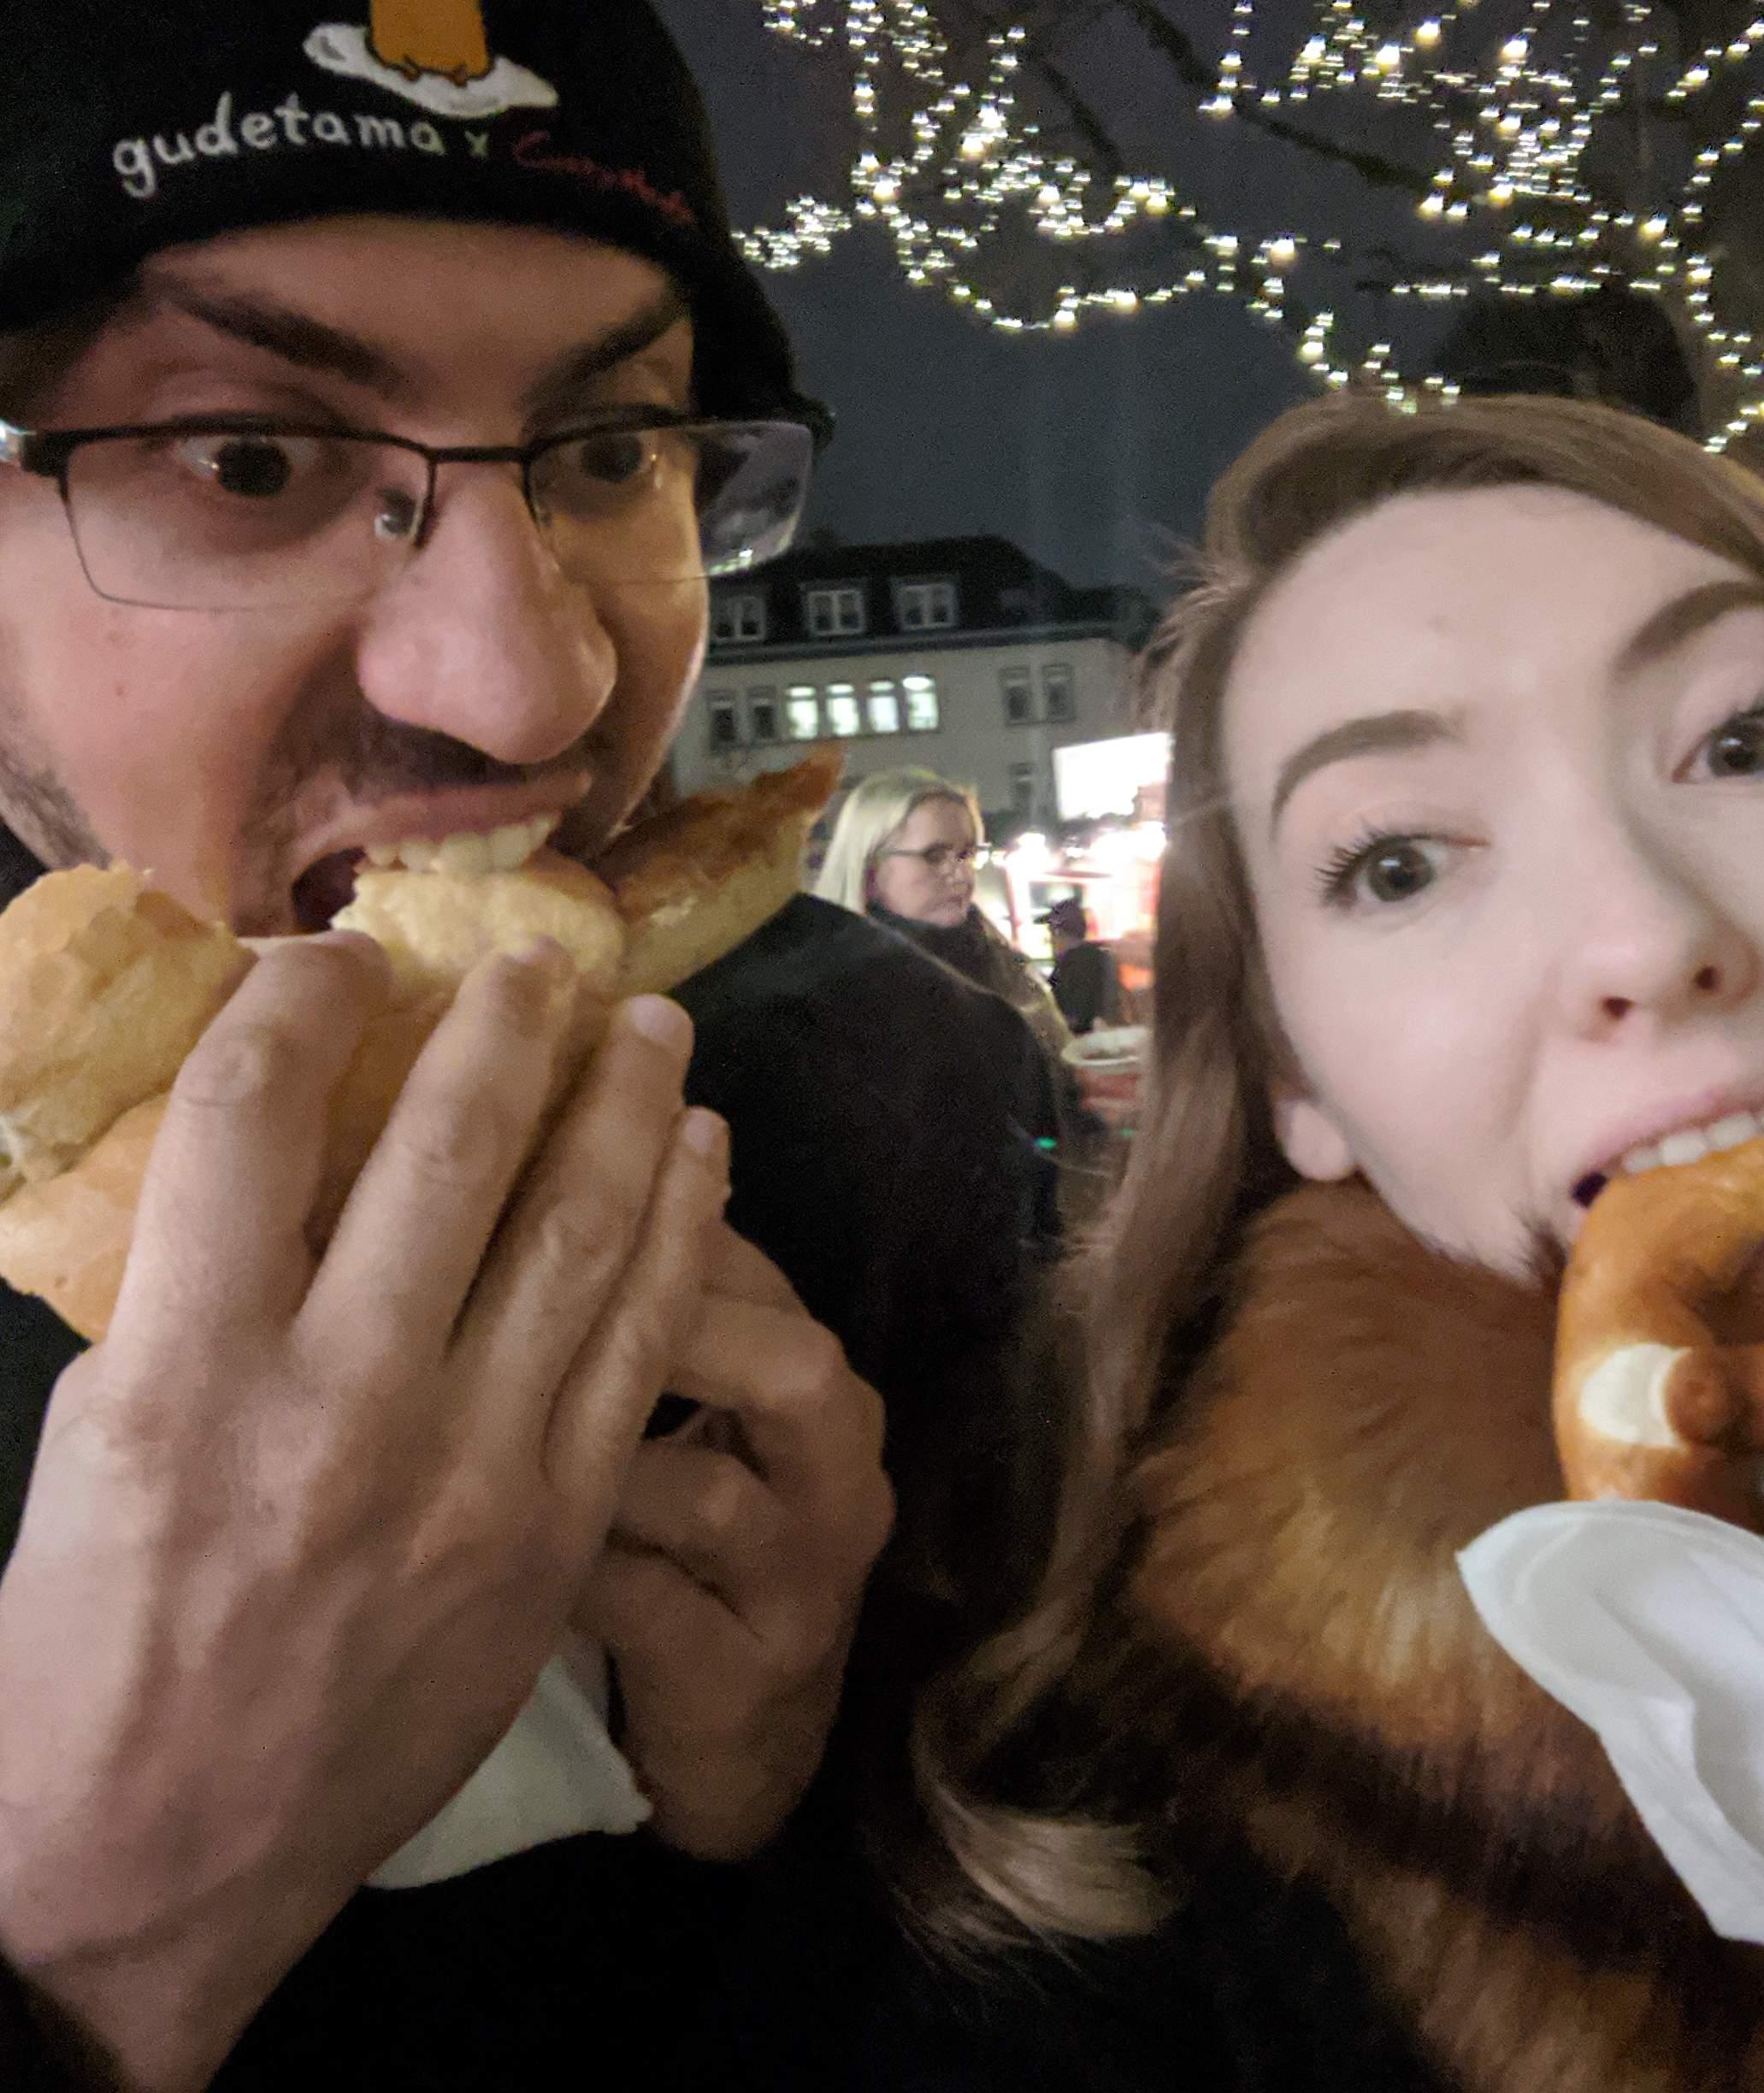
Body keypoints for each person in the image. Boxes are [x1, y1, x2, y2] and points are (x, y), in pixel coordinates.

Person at [0, 5, 1057, 2084]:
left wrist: (782, 1805)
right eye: (249, 458)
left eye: (606, 454)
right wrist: (93, 1947)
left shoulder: (902, 1088)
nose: (526, 683)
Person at [917, 393, 1764, 2092]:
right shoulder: (1108, 1867)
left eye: (1747, 741)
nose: (1647, 934)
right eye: (1398, 861)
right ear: (1295, 1080)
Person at [816, 767, 1075, 1070]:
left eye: (966, 854)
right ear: (869, 867)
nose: (960, 874)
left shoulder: (1001, 963)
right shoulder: (833, 995)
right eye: (935, 856)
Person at [1041, 896, 1124, 1036]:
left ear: (1058, 932)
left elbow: (1074, 1017)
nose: (1050, 940)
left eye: (1050, 932)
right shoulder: (1097, 956)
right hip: (1099, 1041)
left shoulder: (1074, 965)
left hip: (1080, 1046)